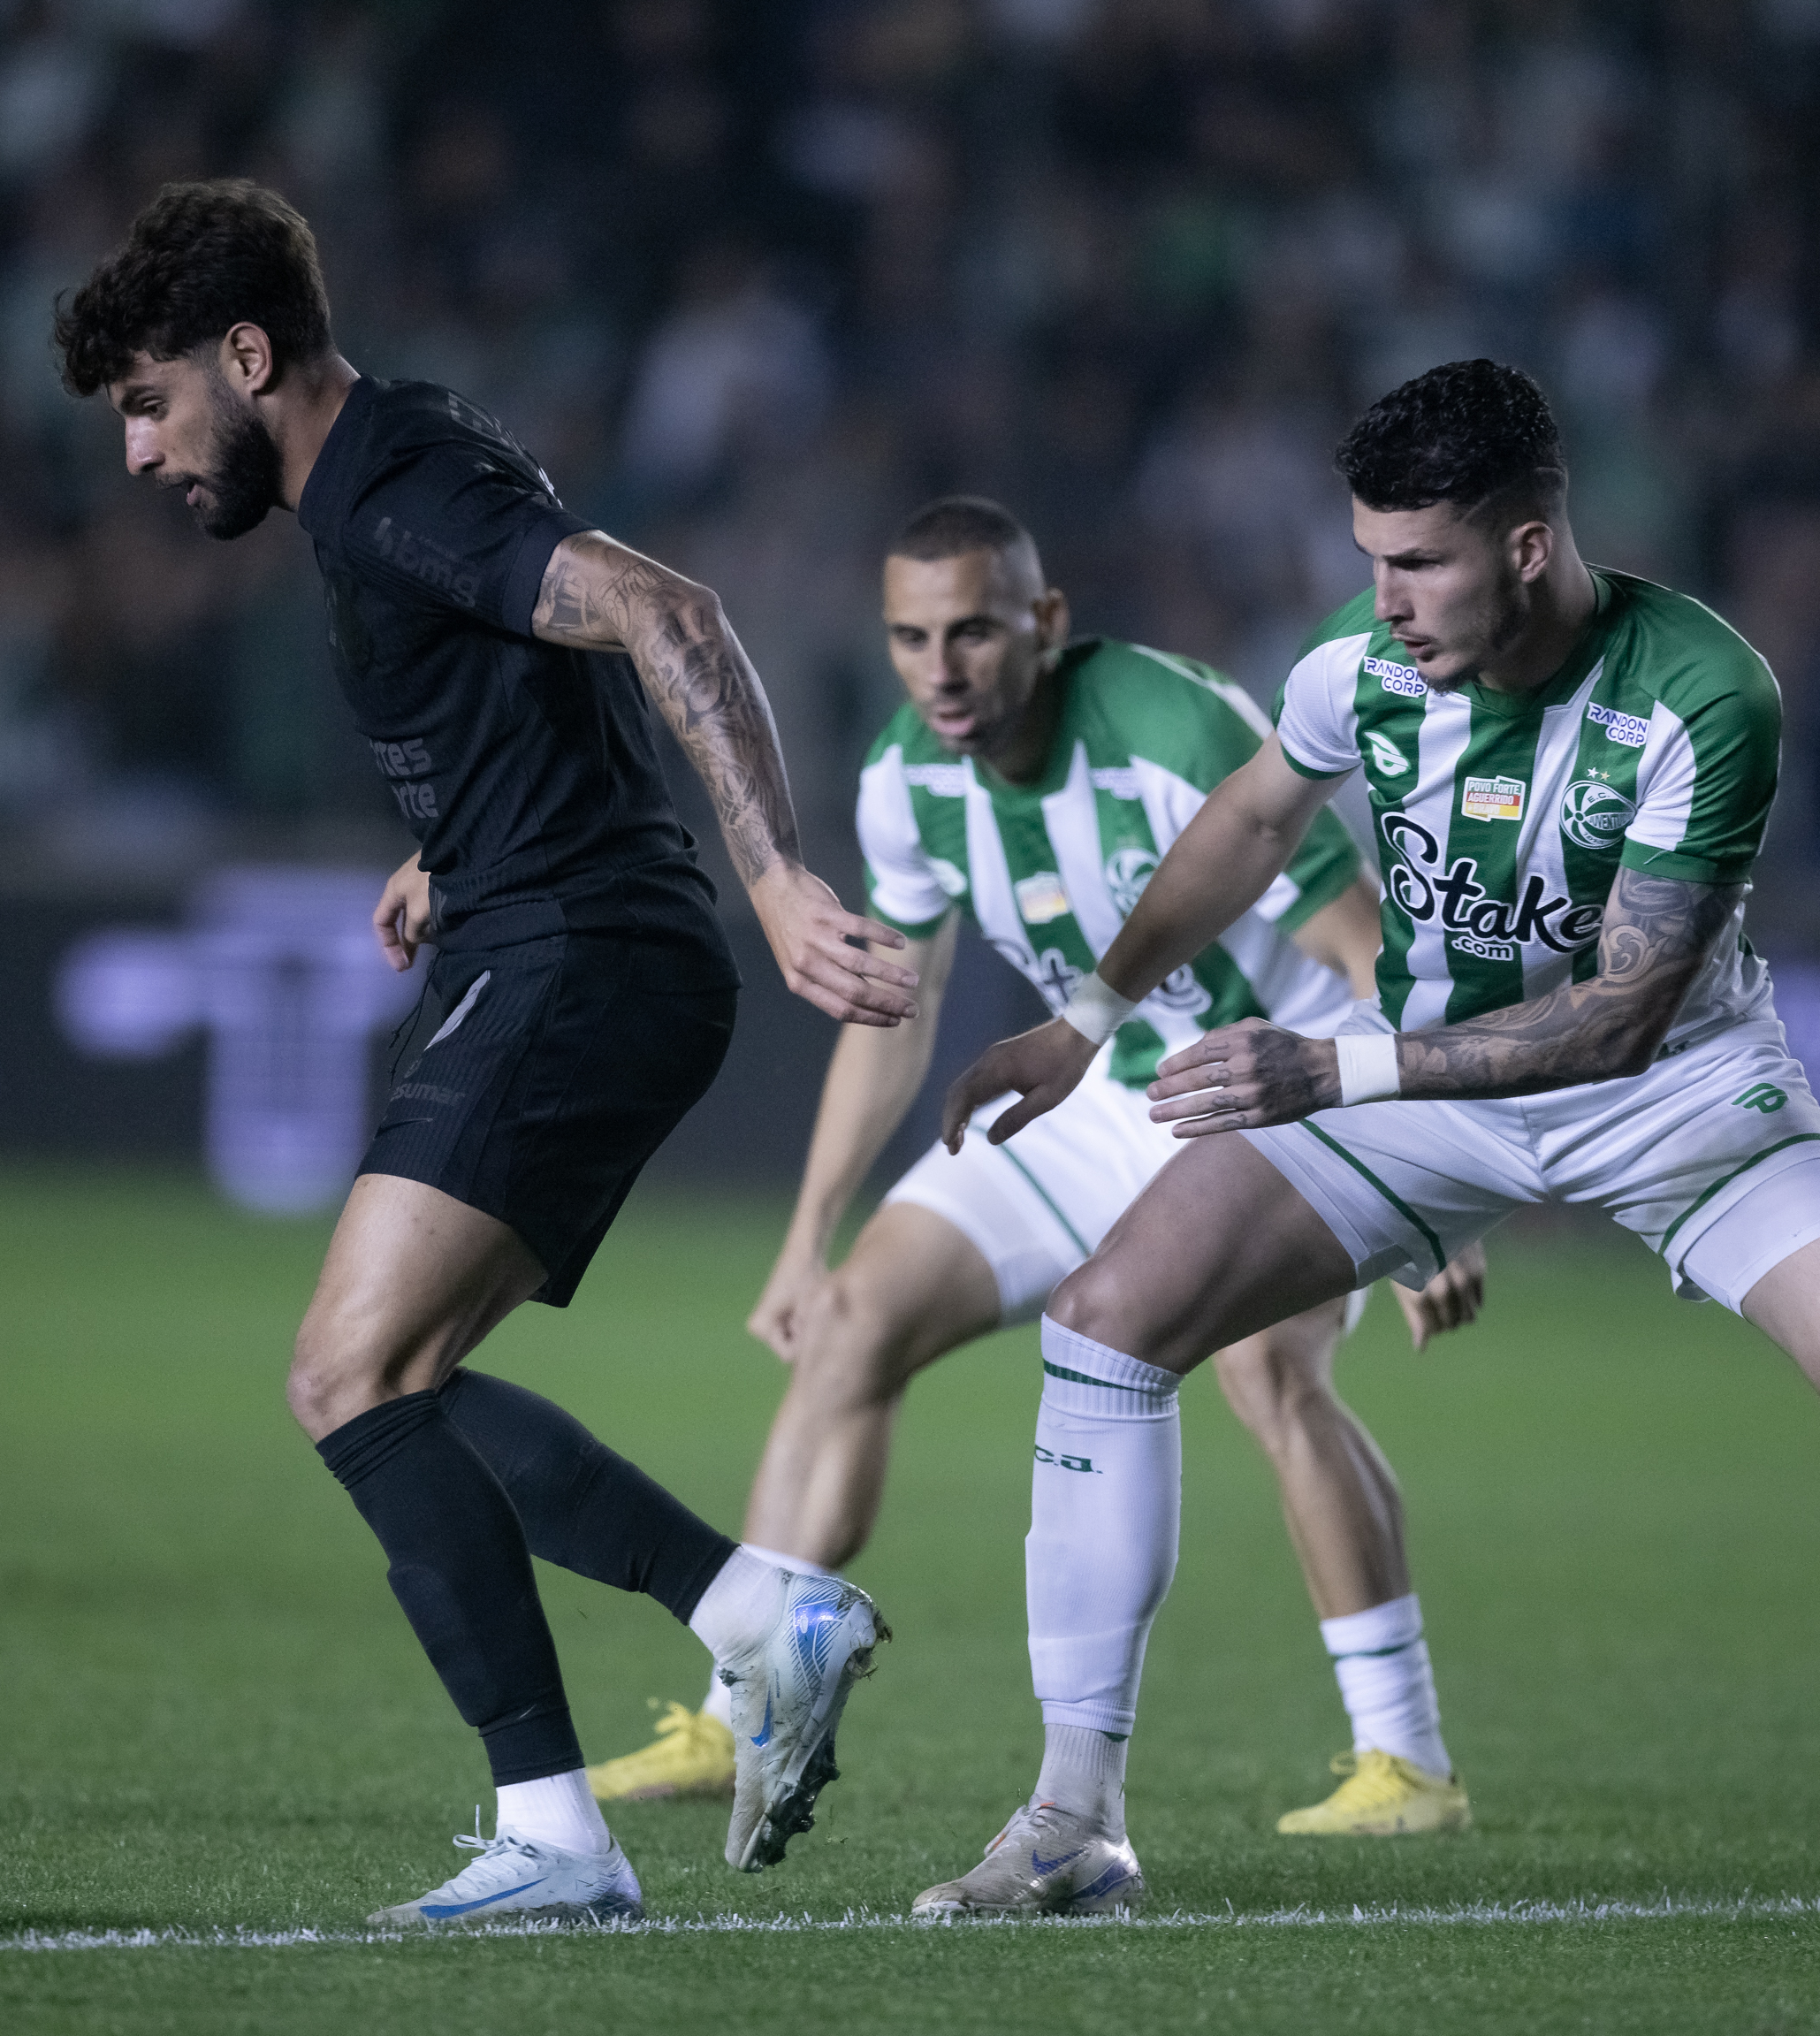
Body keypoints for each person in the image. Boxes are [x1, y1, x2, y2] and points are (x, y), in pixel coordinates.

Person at [933, 360, 1820, 1933]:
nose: (1385, 601)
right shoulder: (1357, 666)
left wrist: (1335, 1066)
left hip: (1673, 1093)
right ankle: (1072, 1819)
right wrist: (1087, 1016)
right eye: (1370, 558)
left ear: (1526, 544)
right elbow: (1252, 821)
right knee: (1106, 1321)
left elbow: (1623, 1018)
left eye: (1419, 561)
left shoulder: (1704, 691)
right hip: (1419, 1087)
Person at [54, 179, 913, 1930]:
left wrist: (775, 874)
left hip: (582, 957)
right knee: (402, 1386)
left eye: (148, 403)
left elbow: (672, 614)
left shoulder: (394, 487)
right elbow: (529, 672)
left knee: (345, 1376)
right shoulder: (398, 457)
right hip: (558, 935)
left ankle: (566, 1828)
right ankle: (759, 1617)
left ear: (245, 355)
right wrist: (451, 846)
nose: (137, 452)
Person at [585, 497, 1489, 1903]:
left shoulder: (1174, 725)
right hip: (1094, 1098)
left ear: (1046, 623)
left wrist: (1420, 1169)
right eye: (910, 639)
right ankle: (736, 1709)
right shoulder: (906, 779)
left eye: (972, 632)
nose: (940, 669)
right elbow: (895, 1012)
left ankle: (1407, 1760)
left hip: (1267, 1098)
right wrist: (808, 1236)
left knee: (1268, 1376)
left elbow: (1362, 939)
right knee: (853, 1323)